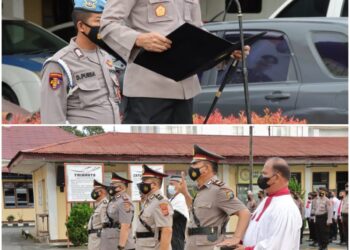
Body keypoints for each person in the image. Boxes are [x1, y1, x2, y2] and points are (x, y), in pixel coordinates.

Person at [99, 0, 250, 124]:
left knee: (183, 144)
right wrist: (138, 39)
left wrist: (226, 53)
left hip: (185, 89)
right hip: (148, 88)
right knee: (148, 146)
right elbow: (107, 25)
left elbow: (198, 32)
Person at [41, 0, 121, 124]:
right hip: (83, 139)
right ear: (81, 26)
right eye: (99, 21)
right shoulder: (60, 63)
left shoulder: (106, 57)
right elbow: (52, 119)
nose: (104, 27)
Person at [177, 144, 250, 250]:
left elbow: (244, 213)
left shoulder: (219, 189)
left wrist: (236, 237)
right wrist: (184, 193)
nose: (191, 168)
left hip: (209, 246)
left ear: (205, 169)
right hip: (192, 245)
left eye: (195, 164)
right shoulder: (202, 190)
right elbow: (195, 211)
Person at [236, 157, 302, 250]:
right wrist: (240, 242)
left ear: (276, 177)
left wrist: (247, 249)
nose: (261, 177)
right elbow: (256, 230)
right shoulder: (269, 200)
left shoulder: (285, 208)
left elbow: (279, 245)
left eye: (264, 174)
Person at [136, 165, 173, 250]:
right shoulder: (150, 201)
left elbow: (167, 230)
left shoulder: (161, 201)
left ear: (154, 184)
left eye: (144, 181)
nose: (142, 183)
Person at [101, 173, 134, 250]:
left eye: (113, 185)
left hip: (119, 244)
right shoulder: (114, 200)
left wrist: (121, 246)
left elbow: (125, 226)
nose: (110, 187)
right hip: (110, 242)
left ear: (120, 188)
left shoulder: (124, 201)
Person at [168, 175, 189, 250]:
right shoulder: (171, 199)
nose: (170, 186)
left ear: (180, 185)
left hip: (176, 240)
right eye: (169, 184)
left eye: (172, 184)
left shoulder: (181, 199)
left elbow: (169, 217)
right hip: (170, 239)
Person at [88, 180, 108, 250]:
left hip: (98, 239)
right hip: (94, 238)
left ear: (102, 192)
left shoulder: (104, 205)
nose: (93, 192)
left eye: (95, 190)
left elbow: (105, 225)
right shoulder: (98, 205)